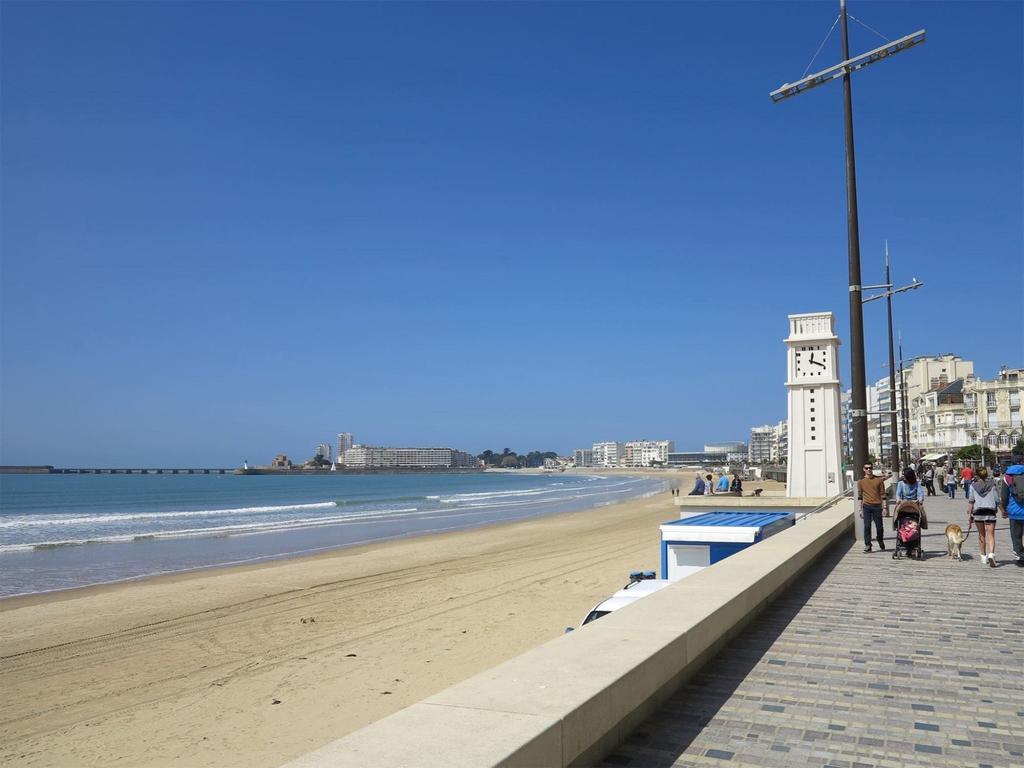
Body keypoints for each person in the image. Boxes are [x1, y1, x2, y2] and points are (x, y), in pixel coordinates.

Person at [968, 467, 1000, 567]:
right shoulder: (992, 485)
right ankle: (991, 554)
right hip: (990, 512)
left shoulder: (973, 486)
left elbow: (971, 501)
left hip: (978, 512)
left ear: (976, 475)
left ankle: (983, 557)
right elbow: (997, 500)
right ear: (986, 475)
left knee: (981, 535)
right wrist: (1003, 511)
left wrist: (969, 514)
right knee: (991, 535)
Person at [857, 464, 888, 553]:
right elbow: (860, 496)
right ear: (864, 469)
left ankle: (880, 539)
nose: (869, 469)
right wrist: (860, 509)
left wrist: (885, 508)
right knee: (867, 526)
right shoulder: (861, 482)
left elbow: (883, 494)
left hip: (877, 506)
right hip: (866, 506)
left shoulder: (878, 481)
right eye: (866, 468)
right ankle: (868, 544)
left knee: (879, 527)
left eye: (870, 468)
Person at [999, 464, 1024, 567]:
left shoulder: (1007, 476)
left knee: (1016, 536)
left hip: (1014, 511)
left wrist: (1003, 509)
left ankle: (1020, 557)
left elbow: (1004, 496)